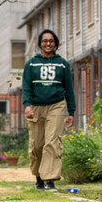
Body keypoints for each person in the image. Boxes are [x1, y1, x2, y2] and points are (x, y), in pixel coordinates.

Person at [22, 29, 76, 192]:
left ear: (56, 44)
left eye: (51, 41)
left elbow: (69, 89)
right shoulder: (31, 64)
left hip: (56, 105)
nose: (48, 43)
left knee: (52, 142)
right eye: (45, 41)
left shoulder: (62, 64)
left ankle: (50, 180)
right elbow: (26, 87)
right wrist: (27, 105)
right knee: (37, 144)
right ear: (40, 44)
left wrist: (71, 112)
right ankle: (39, 176)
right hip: (36, 106)